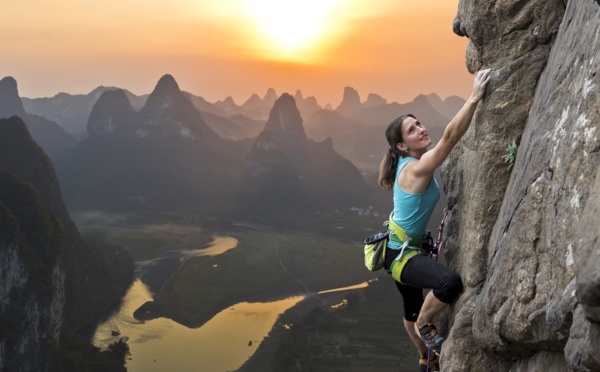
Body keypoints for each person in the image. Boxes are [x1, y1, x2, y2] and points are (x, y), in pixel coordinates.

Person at [377, 68, 492, 371]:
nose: (421, 130)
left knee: (409, 310)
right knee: (449, 284)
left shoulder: (406, 162)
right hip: (402, 258)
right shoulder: (415, 168)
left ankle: (424, 356)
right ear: (402, 146)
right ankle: (426, 327)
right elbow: (450, 138)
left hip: (398, 249)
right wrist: (475, 97)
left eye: (419, 124)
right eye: (412, 131)